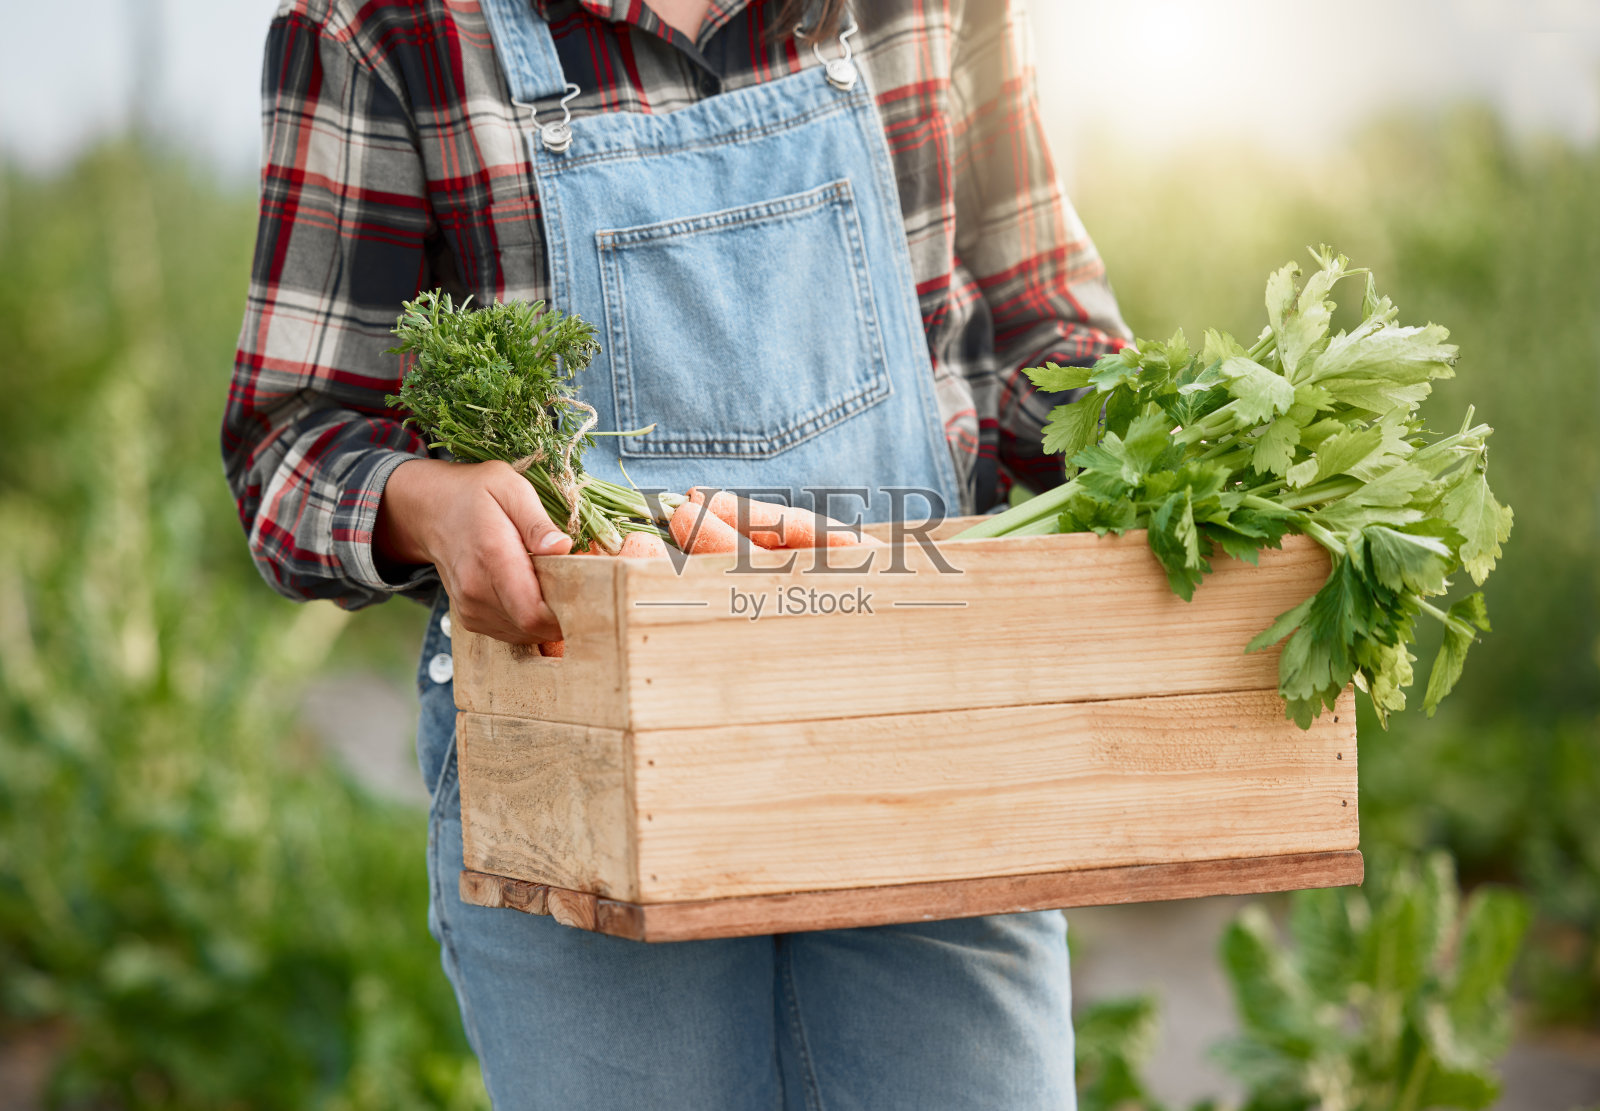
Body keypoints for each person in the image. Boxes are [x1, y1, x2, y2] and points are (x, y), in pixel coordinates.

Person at [224, 0, 1129, 1105]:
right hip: (583, 746)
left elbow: (1050, 333)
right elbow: (291, 442)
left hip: (921, 728)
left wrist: (1171, 444)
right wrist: (428, 501)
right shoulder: (385, 27)